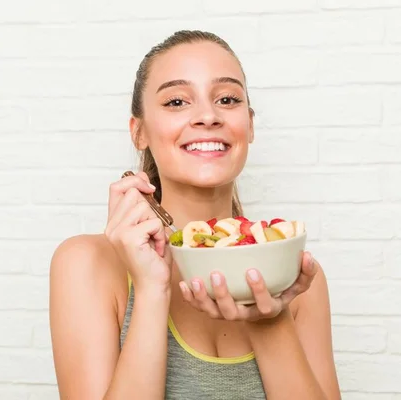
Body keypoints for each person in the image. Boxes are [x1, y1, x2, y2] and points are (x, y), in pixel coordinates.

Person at [49, 30, 341, 399]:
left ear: (249, 126)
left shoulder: (296, 277)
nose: (207, 115)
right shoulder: (87, 263)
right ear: (139, 132)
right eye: (176, 102)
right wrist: (153, 289)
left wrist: (271, 318)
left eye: (227, 99)